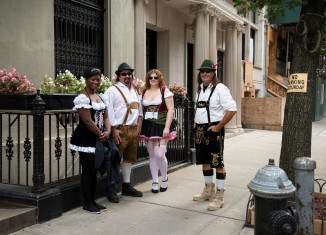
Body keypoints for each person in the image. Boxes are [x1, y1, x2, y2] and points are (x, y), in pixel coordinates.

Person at [192, 59, 237, 211]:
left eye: (208, 71)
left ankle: (219, 195)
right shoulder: (200, 89)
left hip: (213, 130)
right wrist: (195, 120)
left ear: (213, 73)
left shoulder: (220, 88)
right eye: (202, 71)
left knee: (217, 163)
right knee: (205, 161)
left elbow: (232, 109)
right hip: (199, 130)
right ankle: (208, 190)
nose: (204, 73)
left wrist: (218, 127)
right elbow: (200, 108)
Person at [68, 68, 110, 214]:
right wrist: (101, 134)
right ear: (86, 79)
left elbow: (106, 117)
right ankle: (87, 203)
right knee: (87, 170)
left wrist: (108, 131)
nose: (95, 82)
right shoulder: (82, 97)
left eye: (98, 79)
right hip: (87, 138)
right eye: (92, 79)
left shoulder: (100, 96)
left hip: (99, 136)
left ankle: (93, 201)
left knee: (95, 169)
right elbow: (87, 121)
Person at [104, 62, 143, 202]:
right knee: (115, 160)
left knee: (128, 159)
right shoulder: (112, 91)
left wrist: (139, 125)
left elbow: (139, 110)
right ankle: (111, 189)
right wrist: (113, 130)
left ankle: (126, 186)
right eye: (123, 74)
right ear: (118, 76)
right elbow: (108, 112)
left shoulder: (135, 90)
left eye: (129, 74)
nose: (127, 76)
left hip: (133, 129)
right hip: (120, 130)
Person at [139, 69, 176, 193]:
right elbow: (140, 111)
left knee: (160, 154)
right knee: (152, 155)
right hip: (148, 125)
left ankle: (164, 179)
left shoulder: (165, 91)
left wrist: (167, 127)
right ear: (148, 79)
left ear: (160, 78)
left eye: (155, 77)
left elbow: (171, 110)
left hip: (161, 124)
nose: (153, 79)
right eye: (151, 78)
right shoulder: (144, 92)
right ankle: (155, 181)